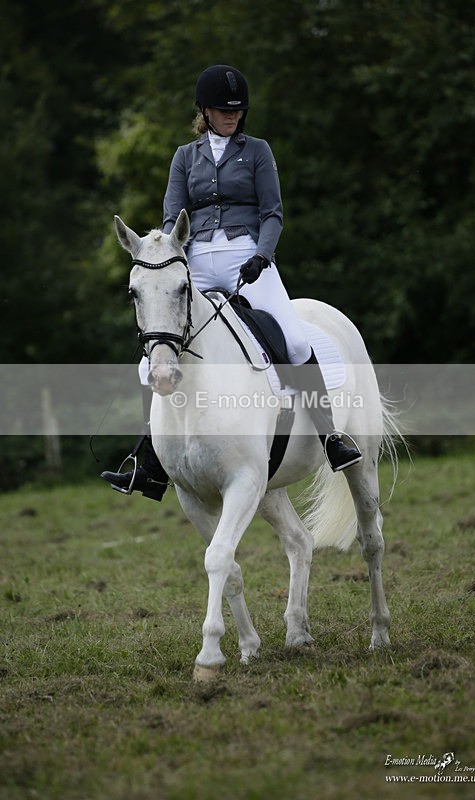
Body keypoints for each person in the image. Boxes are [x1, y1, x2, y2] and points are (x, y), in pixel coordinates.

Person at [102, 65, 362, 500]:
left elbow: (273, 212)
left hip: (248, 258)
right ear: (204, 110)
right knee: (155, 357)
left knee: (295, 343)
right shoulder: (185, 156)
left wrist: (263, 255)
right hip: (195, 260)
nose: (232, 117)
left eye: (238, 111)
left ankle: (330, 437)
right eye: (224, 111)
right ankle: (148, 463)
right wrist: (171, 259)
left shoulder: (257, 151)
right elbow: (172, 218)